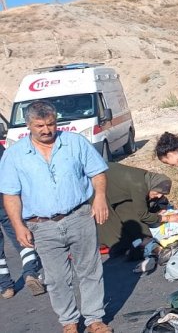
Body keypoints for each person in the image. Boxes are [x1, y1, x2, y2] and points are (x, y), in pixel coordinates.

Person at [0, 101, 113, 333]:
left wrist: (100, 197)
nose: (46, 130)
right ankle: (69, 322)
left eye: (51, 124)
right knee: (56, 278)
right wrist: (18, 225)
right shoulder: (14, 155)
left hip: (79, 215)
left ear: (56, 121)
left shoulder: (75, 142)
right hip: (41, 225)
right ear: (28, 125)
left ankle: (94, 320)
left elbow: (97, 172)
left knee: (90, 270)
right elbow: (10, 194)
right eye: (39, 126)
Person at [97, 162, 178, 272]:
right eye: (158, 192)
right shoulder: (139, 185)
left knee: (132, 220)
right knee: (114, 235)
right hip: (99, 189)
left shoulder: (148, 180)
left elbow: (143, 208)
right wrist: (166, 218)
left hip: (111, 186)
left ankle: (147, 245)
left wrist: (161, 210)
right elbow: (143, 215)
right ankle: (135, 249)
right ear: (153, 186)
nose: (159, 195)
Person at [0, 144, 46, 299]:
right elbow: (8, 169)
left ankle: (5, 286)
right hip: (5, 200)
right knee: (21, 237)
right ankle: (30, 272)